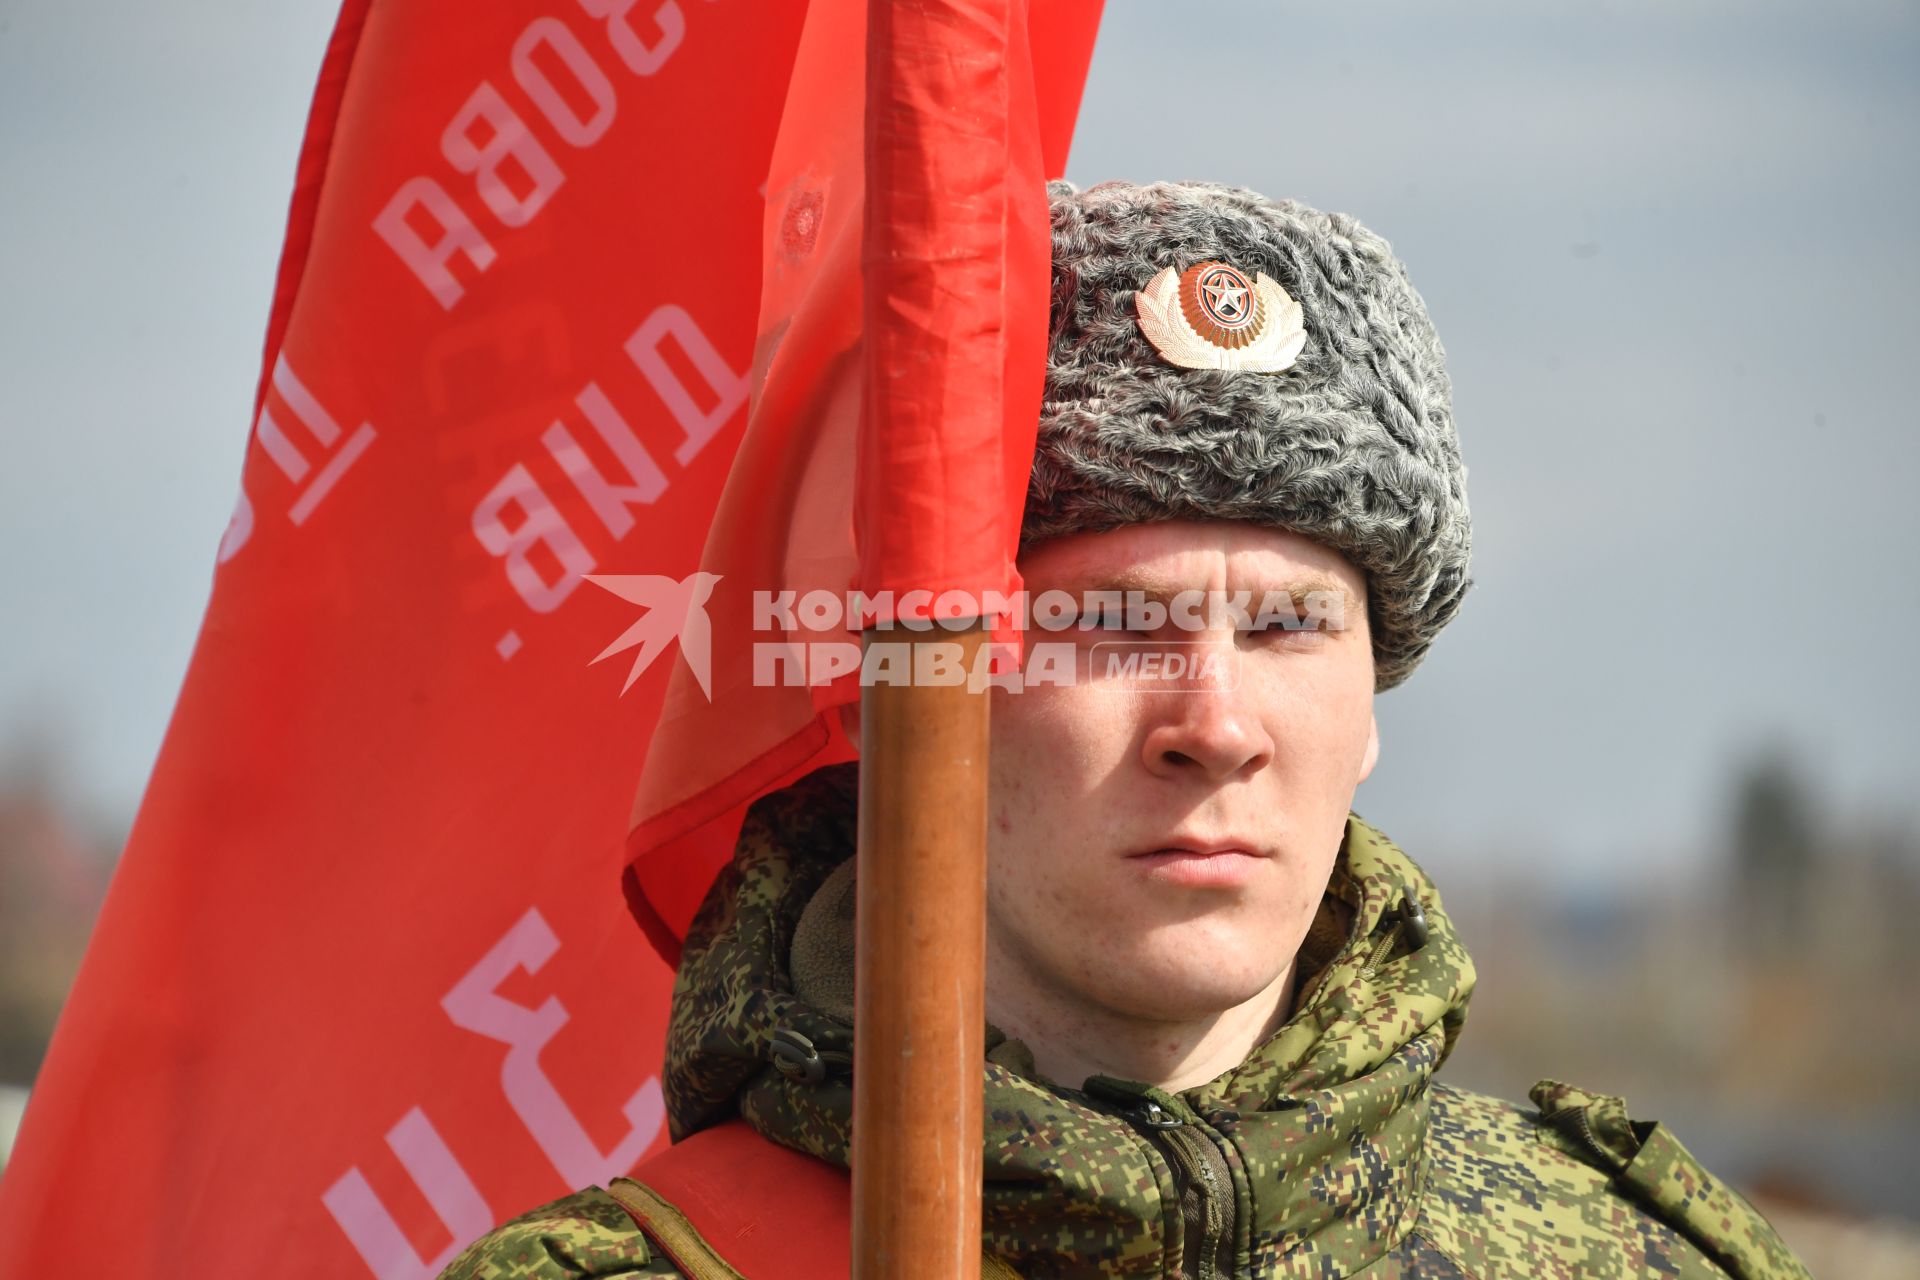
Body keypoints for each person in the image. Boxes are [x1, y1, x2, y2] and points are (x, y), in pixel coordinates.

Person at [440, 181, 1809, 1279]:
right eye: (1110, 626)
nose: (1214, 727)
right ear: (921, 705)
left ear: (1372, 707)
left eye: (1288, 627)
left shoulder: (1624, 1258)